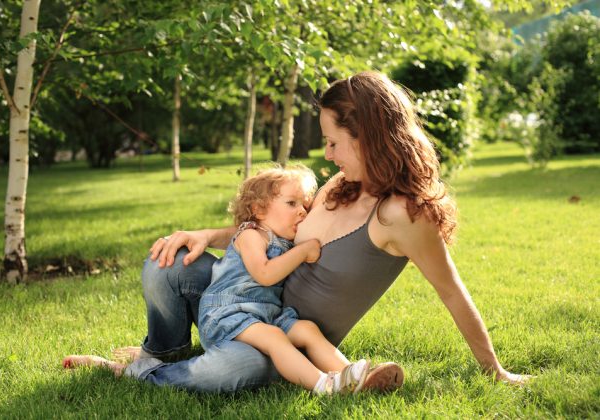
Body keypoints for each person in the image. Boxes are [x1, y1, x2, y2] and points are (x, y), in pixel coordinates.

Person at [69, 71, 529, 392]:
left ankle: (136, 373)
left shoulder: (402, 215)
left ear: (367, 137)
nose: (327, 154)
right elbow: (273, 236)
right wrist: (208, 236)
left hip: (288, 337)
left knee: (232, 370)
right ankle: (161, 353)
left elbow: (452, 292)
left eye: (333, 142)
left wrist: (496, 370)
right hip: (247, 299)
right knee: (166, 264)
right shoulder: (340, 186)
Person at [64, 165, 374, 394]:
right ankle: (324, 385)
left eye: (305, 206)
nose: (303, 212)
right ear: (258, 209)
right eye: (292, 204)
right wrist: (303, 251)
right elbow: (265, 274)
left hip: (264, 314)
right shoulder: (252, 235)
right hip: (229, 315)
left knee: (306, 329)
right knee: (275, 339)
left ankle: (353, 374)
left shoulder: (284, 238)